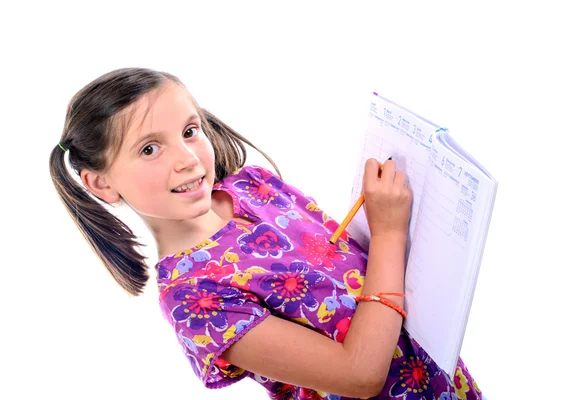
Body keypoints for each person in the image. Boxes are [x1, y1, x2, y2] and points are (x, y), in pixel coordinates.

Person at [49, 67, 483, 400]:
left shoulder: (252, 185)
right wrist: (390, 231)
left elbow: (358, 267)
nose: (187, 158)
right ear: (102, 184)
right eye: (149, 148)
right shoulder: (193, 299)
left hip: (444, 379)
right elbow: (361, 374)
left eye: (189, 131)